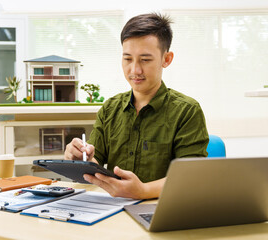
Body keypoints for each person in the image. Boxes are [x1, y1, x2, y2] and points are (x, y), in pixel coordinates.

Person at [64, 13, 209, 199]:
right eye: (127, 59)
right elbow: (96, 161)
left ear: (166, 59)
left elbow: (191, 177)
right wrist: (82, 158)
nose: (135, 70)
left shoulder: (187, 111)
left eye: (145, 60)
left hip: (162, 208)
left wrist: (143, 191)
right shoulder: (110, 108)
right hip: (113, 208)